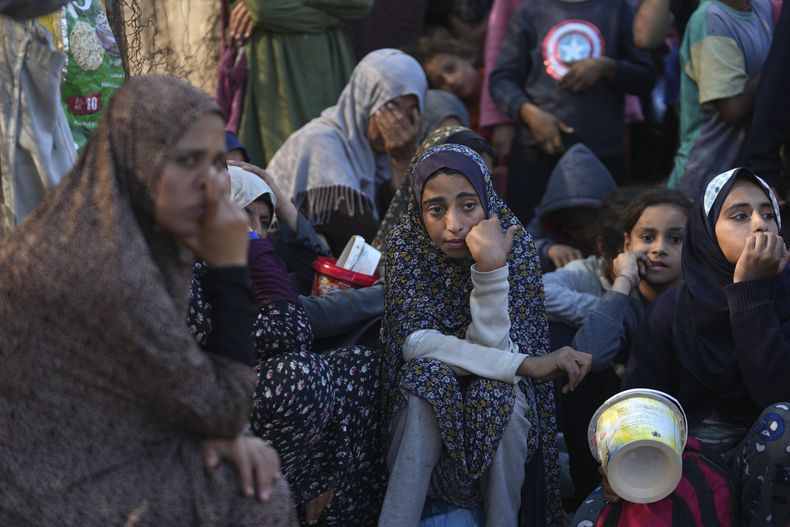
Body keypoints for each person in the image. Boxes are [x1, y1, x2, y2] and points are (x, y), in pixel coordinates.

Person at [0, 75, 296, 525]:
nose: (210, 184)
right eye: (188, 161)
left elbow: (193, 397)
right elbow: (222, 406)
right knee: (258, 495)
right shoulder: (111, 270)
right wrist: (232, 267)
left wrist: (220, 426)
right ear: (140, 161)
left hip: (90, 444)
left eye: (218, 163)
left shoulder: (114, 229)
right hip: (43, 490)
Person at [379, 143, 592, 526]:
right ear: (418, 210)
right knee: (426, 377)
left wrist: (491, 269)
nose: (454, 225)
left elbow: (492, 356)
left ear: (487, 202)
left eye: (468, 205)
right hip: (421, 407)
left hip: (497, 409)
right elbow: (415, 343)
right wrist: (526, 364)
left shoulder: (516, 248)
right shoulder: (405, 246)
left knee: (500, 394)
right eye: (435, 209)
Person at [623, 168, 790, 526]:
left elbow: (778, 392)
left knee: (783, 423)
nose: (760, 225)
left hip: (769, 462)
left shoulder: (786, 297)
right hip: (686, 460)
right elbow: (642, 402)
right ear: (706, 233)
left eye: (769, 213)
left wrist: (749, 295)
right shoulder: (672, 308)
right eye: (740, 215)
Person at [556, 187, 690, 504]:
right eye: (647, 237)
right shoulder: (626, 304)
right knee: (581, 375)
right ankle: (591, 493)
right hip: (622, 439)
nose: (659, 249)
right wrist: (623, 282)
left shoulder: (700, 305)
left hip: (681, 432)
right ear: (627, 244)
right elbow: (588, 355)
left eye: (675, 239)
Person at [489, 0, 655, 224]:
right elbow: (501, 80)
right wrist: (530, 114)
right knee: (528, 235)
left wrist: (607, 68)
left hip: (602, 152)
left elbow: (645, 77)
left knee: (605, 234)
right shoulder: (530, 10)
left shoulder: (618, 8)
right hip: (537, 152)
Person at [266, 48, 427, 254]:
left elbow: (406, 233)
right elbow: (366, 242)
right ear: (364, 98)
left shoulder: (385, 157)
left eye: (410, 112)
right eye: (391, 106)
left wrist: (401, 162)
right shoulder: (321, 141)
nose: (398, 123)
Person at [229, 0, 372, 166]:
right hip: (275, 70)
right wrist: (332, 17)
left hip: (328, 66)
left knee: (332, 157)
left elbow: (360, 4)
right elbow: (264, 8)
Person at [668, 0, 773, 198]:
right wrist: (776, 64)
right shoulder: (711, 19)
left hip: (740, 176)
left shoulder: (761, 7)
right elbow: (732, 109)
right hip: (705, 177)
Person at [526, 144, 618, 273]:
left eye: (595, 224)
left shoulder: (624, 226)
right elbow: (516, 251)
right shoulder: (545, 220)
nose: (587, 235)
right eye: (576, 227)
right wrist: (547, 250)